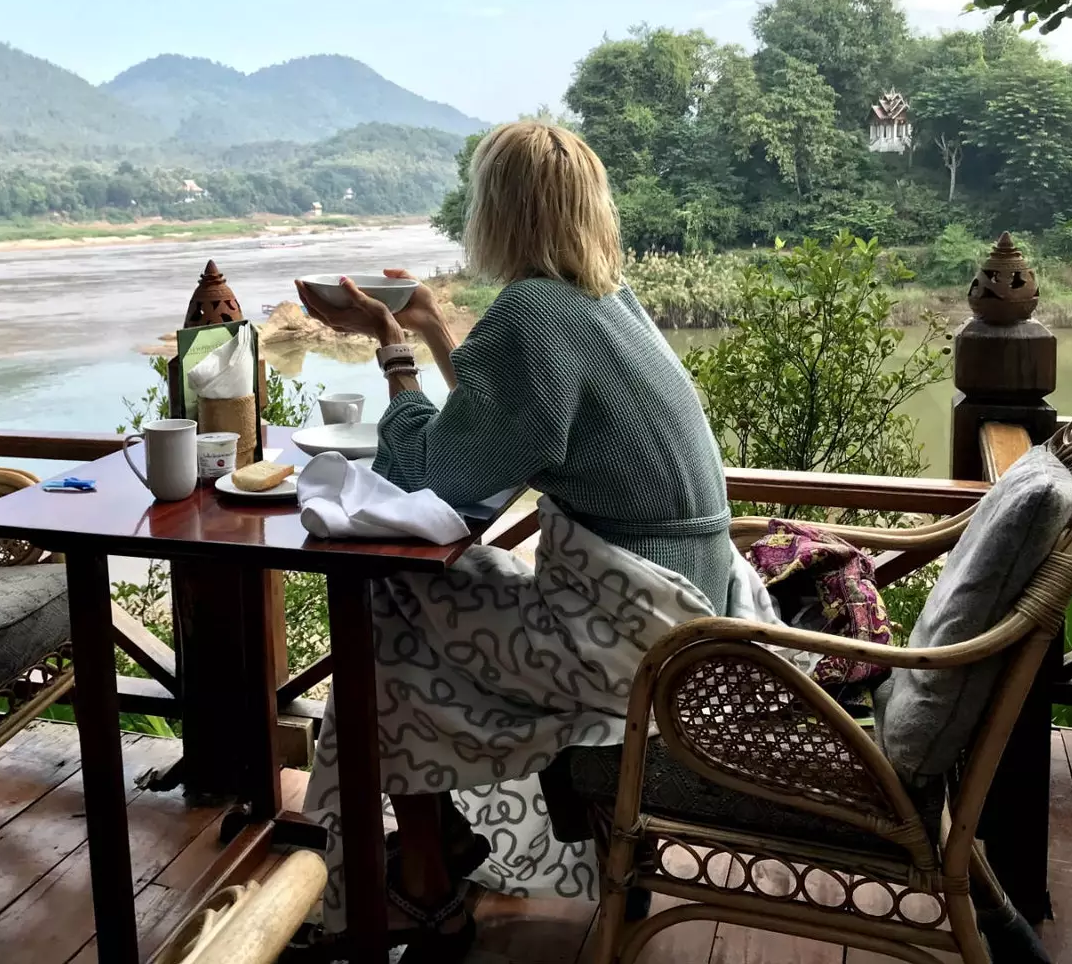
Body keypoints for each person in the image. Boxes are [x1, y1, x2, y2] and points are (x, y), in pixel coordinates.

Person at [291, 121, 748, 960]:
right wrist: (431, 327)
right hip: (686, 606)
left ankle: (424, 879)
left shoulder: (533, 311)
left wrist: (390, 350)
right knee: (415, 606)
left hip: (630, 637)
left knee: (386, 609)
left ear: (494, 210)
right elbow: (510, 423)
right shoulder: (604, 301)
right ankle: (435, 859)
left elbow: (438, 478)